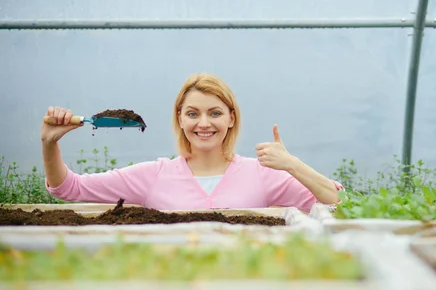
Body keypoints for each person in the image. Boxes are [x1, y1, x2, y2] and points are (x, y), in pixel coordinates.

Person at [41, 73, 343, 212]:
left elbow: (337, 203)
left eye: (215, 113)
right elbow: (69, 188)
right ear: (180, 119)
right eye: (193, 113)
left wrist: (291, 164)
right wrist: (49, 144)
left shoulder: (262, 174)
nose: (203, 123)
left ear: (231, 119)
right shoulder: (155, 176)